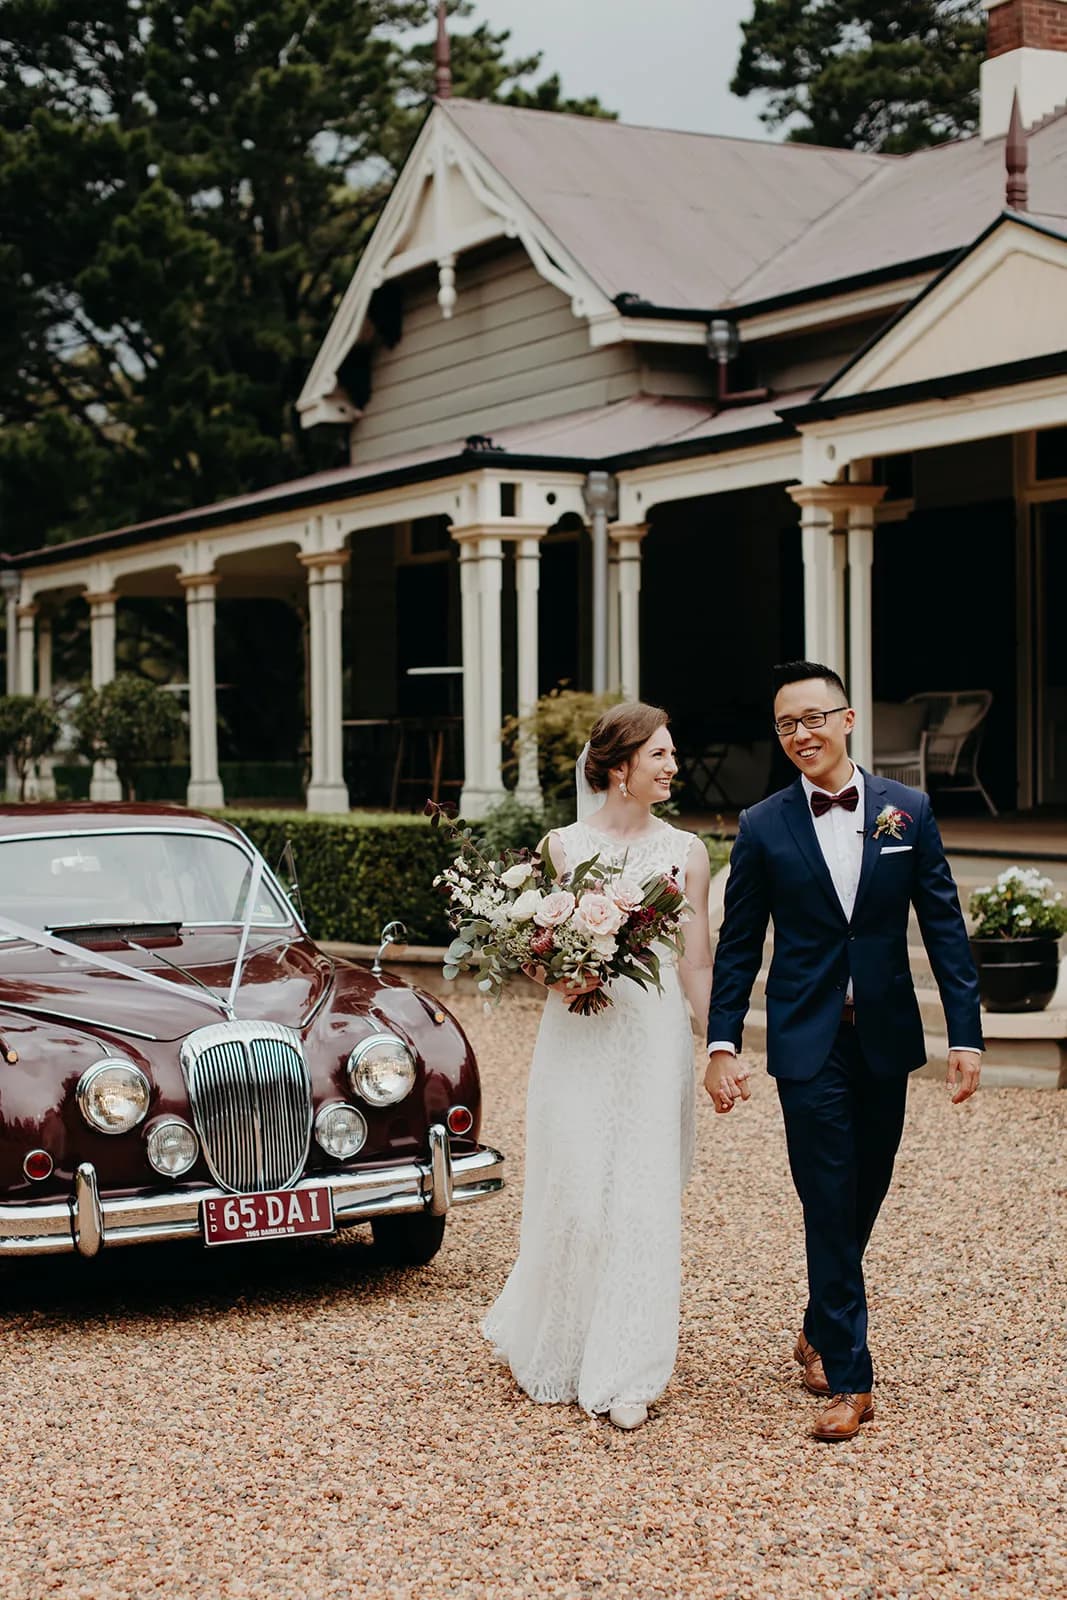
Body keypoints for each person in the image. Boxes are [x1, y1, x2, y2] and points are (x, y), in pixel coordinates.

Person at [705, 661, 982, 1442]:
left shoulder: (907, 811)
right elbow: (737, 946)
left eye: (813, 718)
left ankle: (817, 1324)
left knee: (863, 1193)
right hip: (804, 1039)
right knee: (826, 1195)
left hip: (885, 1035)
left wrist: (963, 1033)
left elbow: (944, 927)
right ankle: (851, 1379)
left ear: (847, 719)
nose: (801, 735)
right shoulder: (761, 825)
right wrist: (721, 1042)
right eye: (786, 725)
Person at [482, 702, 715, 1431]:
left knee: (642, 1198)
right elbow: (528, 946)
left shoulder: (687, 853)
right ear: (618, 769)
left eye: (672, 755)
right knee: (576, 1191)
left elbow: (696, 961)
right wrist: (553, 975)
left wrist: (717, 1047)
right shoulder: (559, 847)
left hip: (651, 1043)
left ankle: (629, 1370)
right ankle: (561, 1341)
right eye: (659, 756)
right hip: (576, 1041)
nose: (673, 766)